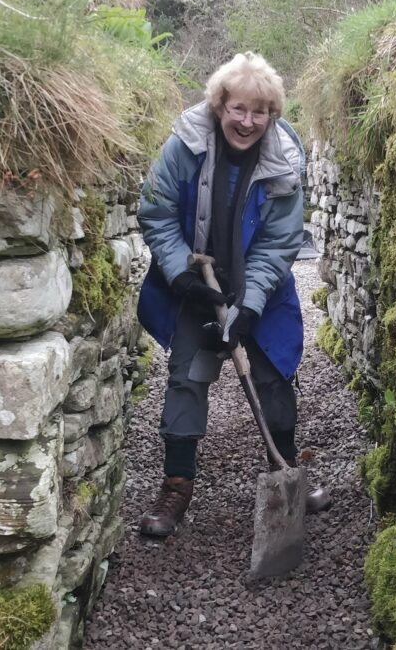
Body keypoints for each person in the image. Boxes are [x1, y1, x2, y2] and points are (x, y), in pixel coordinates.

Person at [135, 52, 331, 538]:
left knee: (273, 374)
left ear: (272, 115)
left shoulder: (283, 159)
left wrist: (250, 305)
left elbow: (282, 240)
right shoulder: (184, 146)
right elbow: (156, 211)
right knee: (187, 377)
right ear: (219, 106)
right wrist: (182, 276)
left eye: (259, 112)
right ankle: (177, 485)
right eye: (238, 109)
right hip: (193, 282)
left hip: (257, 284)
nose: (247, 122)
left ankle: (284, 466)